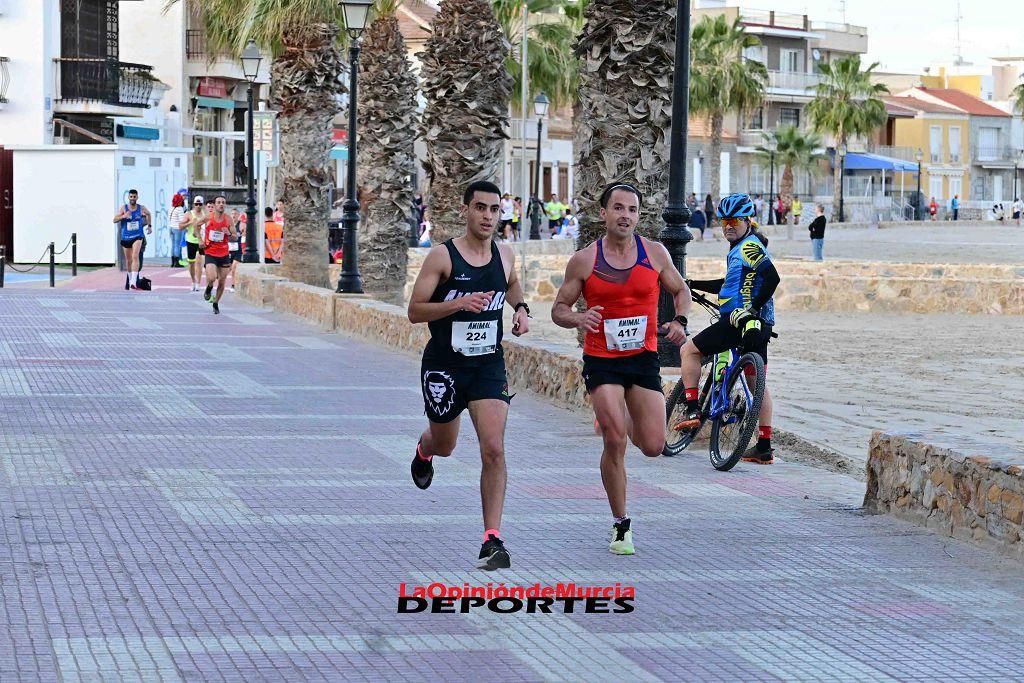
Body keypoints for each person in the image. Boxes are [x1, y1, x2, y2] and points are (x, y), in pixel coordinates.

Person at [551, 182, 692, 556]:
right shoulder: (585, 260)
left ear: (638, 215)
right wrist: (579, 318)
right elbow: (558, 309)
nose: (625, 215)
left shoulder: (655, 253)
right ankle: (620, 524)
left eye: (631, 209)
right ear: (604, 213)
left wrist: (678, 320)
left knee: (653, 445)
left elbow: (681, 290)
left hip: (642, 358)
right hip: (602, 360)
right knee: (614, 440)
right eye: (618, 208)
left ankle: (618, 414)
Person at [407, 180, 531, 570]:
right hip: (445, 365)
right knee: (446, 444)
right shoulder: (443, 258)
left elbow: (510, 284)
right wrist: (459, 303)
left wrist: (522, 308)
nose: (488, 216)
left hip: (487, 366)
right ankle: (424, 451)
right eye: (480, 208)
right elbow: (415, 310)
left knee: (493, 448)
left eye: (495, 210)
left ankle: (492, 539)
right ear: (465, 210)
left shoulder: (505, 255)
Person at [677, 193, 779, 465]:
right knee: (758, 384)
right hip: (760, 326)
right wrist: (694, 283)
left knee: (689, 350)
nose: (727, 226)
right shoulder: (742, 248)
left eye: (733, 221)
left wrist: (752, 309)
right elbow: (727, 285)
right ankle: (764, 446)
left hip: (739, 320)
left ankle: (691, 409)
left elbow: (772, 276)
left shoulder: (748, 247)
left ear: (747, 220)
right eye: (723, 222)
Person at [201, 196, 236, 314]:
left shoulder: (228, 219)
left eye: (223, 203)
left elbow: (235, 236)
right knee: (211, 277)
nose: (221, 204)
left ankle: (216, 302)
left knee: (222, 281)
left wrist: (229, 233)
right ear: (215, 205)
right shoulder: (208, 218)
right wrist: (200, 240)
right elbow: (196, 225)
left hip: (224, 253)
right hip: (210, 252)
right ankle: (209, 287)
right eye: (218, 202)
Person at [113, 189, 152, 291]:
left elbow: (148, 214)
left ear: (137, 197)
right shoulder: (124, 208)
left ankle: (133, 282)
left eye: (134, 197)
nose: (132, 199)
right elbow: (114, 220)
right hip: (126, 236)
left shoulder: (141, 208)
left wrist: (149, 226)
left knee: (135, 256)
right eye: (131, 197)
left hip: (137, 236)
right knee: (129, 261)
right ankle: (130, 282)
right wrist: (123, 216)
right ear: (128, 197)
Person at [180, 196, 207, 292]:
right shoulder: (189, 214)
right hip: (191, 241)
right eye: (196, 204)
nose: (198, 206)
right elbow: (180, 226)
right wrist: (190, 222)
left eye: (200, 204)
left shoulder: (205, 215)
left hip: (202, 242)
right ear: (194, 204)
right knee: (191, 263)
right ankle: (193, 281)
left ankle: (198, 283)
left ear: (202, 205)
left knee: (199, 262)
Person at [169, 192, 187, 268]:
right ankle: (177, 262)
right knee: (177, 245)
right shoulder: (179, 209)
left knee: (173, 245)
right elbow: (182, 220)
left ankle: (173, 262)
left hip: (171, 228)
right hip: (178, 228)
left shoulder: (171, 208)